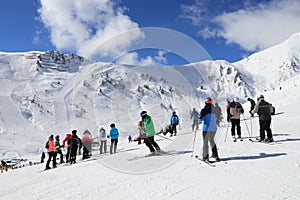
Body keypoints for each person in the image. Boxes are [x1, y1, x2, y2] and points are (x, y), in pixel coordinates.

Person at [199, 97, 219, 162]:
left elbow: (201, 119)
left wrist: (198, 119)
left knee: (205, 142)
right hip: (214, 128)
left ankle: (205, 157)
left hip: (206, 128)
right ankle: (215, 155)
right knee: (212, 140)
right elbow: (216, 118)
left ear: (206, 102)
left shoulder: (204, 110)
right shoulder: (215, 110)